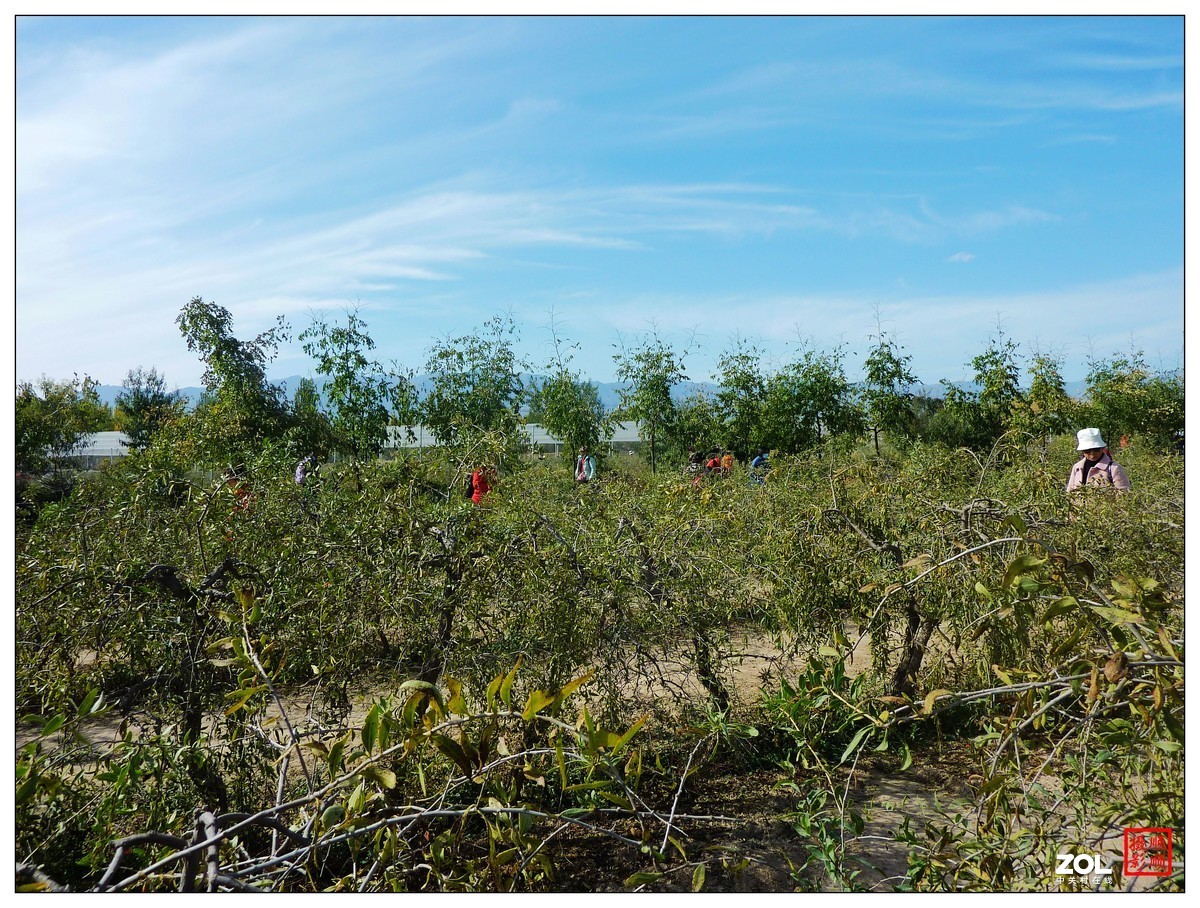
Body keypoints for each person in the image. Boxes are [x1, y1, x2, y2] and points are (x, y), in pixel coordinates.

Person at [1067, 428, 1130, 492]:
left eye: (1096, 450)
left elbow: (1124, 496)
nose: (1092, 454)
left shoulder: (1114, 468)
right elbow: (1070, 494)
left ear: (1102, 448)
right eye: (1087, 451)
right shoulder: (1077, 468)